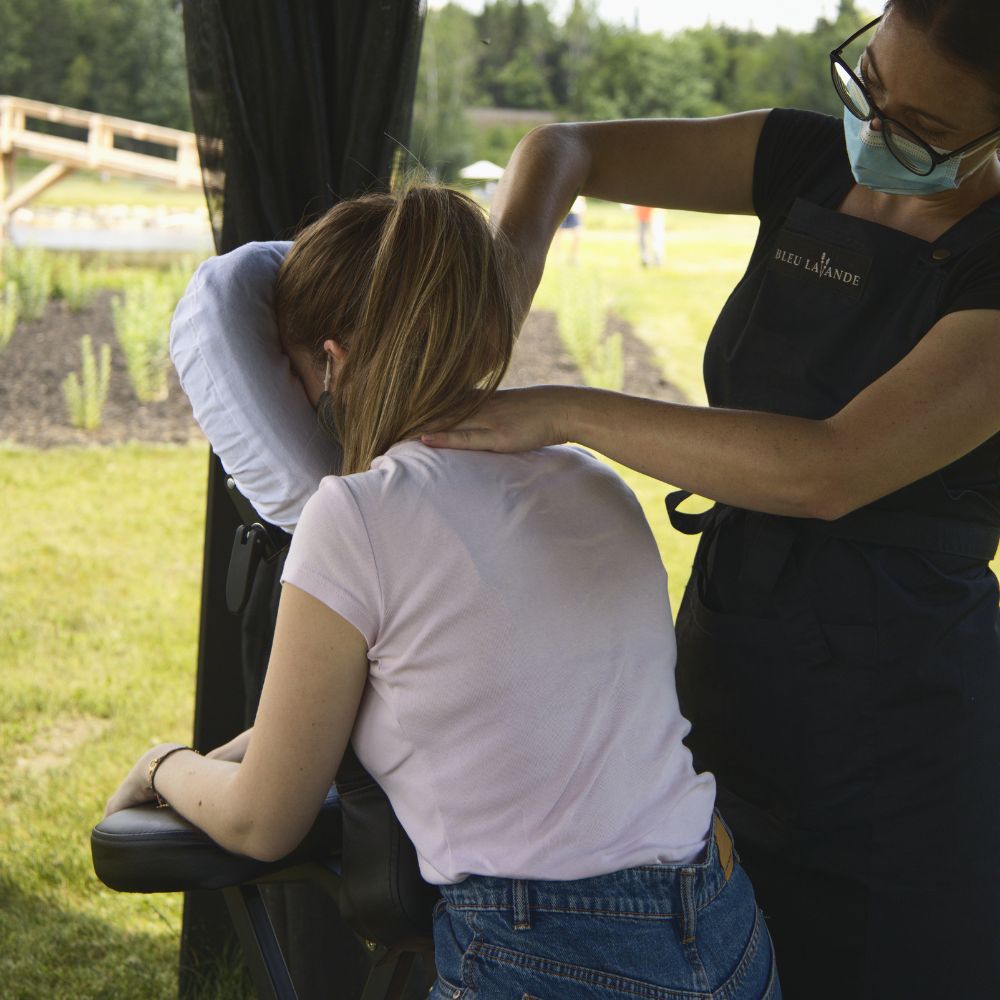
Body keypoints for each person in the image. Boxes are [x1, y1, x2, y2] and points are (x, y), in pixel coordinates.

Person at [421, 3, 1000, 998]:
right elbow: (561, 148)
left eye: (924, 130)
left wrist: (558, 409)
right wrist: (503, 275)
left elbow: (828, 468)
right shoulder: (803, 159)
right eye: (869, 86)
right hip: (727, 650)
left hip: (899, 717)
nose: (877, 131)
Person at [105, 186, 779, 1000]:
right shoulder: (595, 484)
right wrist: (241, 750)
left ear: (333, 363)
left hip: (546, 951)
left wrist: (164, 764)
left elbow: (261, 819)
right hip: (723, 921)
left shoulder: (354, 515)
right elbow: (459, 687)